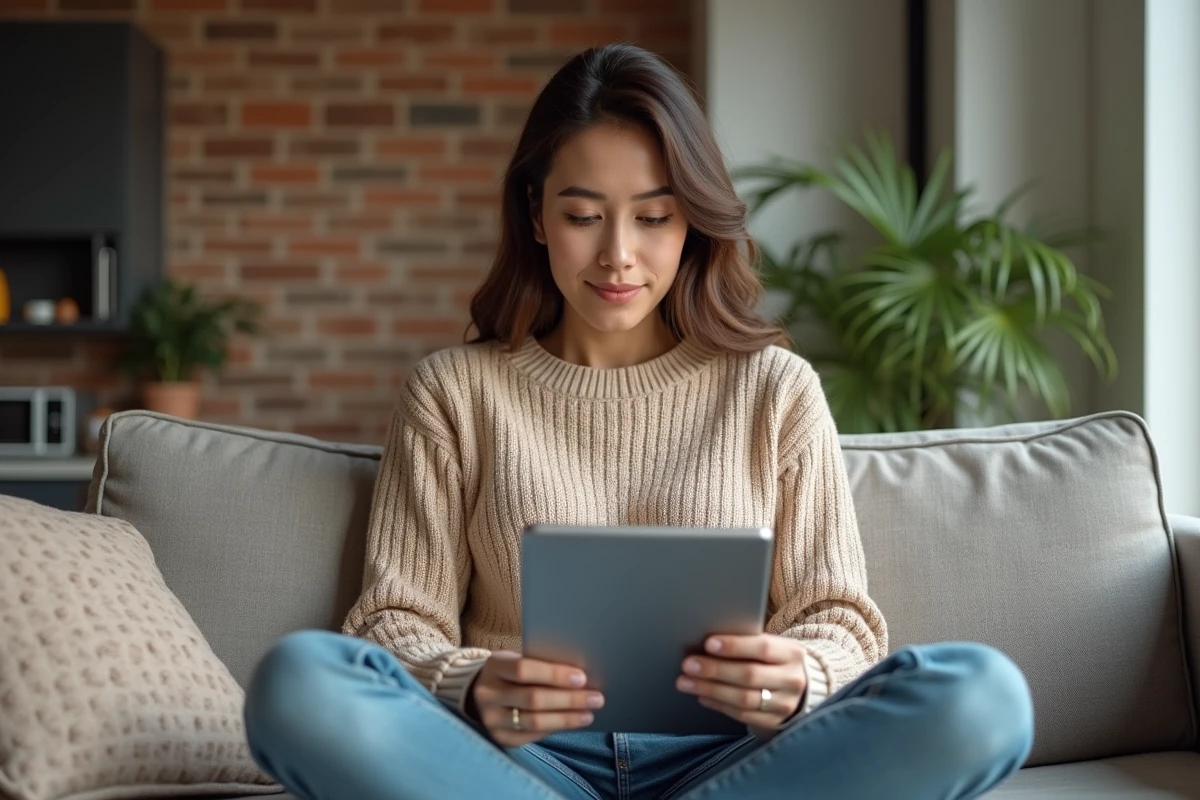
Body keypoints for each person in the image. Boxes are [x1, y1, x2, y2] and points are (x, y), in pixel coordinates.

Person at [242, 43, 1034, 800]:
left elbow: (841, 621)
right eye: (585, 215)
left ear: (691, 222)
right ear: (537, 213)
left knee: (983, 695)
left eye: (653, 218)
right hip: (520, 766)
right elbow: (392, 623)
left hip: (734, 762)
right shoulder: (454, 392)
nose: (618, 255)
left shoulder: (774, 389)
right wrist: (474, 683)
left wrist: (800, 676)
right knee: (300, 682)